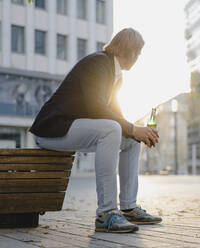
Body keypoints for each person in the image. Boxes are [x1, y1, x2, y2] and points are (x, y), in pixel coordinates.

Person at [29, 28, 162, 233]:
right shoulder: (99, 63)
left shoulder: (116, 75)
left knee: (130, 139)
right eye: (137, 52)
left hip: (73, 128)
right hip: (52, 130)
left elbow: (115, 114)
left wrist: (138, 131)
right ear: (128, 50)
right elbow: (97, 108)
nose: (138, 57)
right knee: (112, 129)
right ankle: (106, 213)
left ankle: (128, 208)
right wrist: (133, 128)